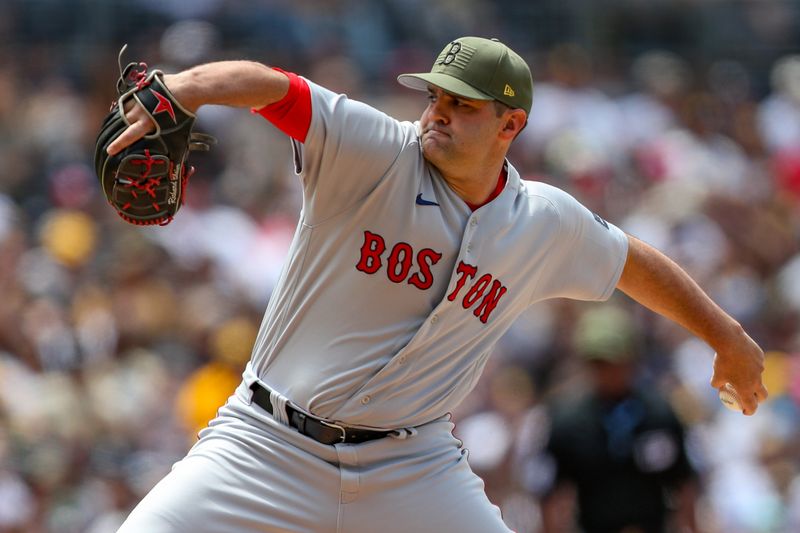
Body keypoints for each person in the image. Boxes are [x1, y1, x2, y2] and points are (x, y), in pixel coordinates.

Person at [106, 36, 767, 533]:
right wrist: (185, 88)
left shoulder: (542, 220)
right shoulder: (375, 151)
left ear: (510, 125)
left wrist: (728, 336)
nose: (437, 115)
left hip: (411, 464)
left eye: (461, 105)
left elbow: (633, 262)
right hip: (266, 443)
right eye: (436, 98)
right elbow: (274, 87)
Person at [538, 305, 698, 533]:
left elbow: (684, 485)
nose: (609, 371)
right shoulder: (568, 423)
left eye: (615, 360)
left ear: (632, 358)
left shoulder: (660, 414)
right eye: (600, 363)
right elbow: (552, 496)